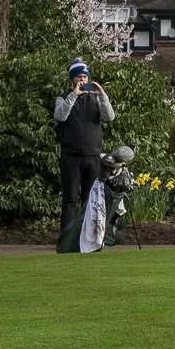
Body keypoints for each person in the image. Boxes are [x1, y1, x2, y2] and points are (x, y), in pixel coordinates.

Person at [54, 59, 116, 252]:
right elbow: (60, 116)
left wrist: (103, 95)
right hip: (71, 156)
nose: (83, 79)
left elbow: (109, 117)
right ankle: (67, 241)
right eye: (79, 76)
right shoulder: (63, 97)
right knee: (70, 199)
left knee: (91, 200)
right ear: (72, 79)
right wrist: (74, 95)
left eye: (85, 76)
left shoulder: (96, 99)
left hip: (92, 156)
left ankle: (90, 241)